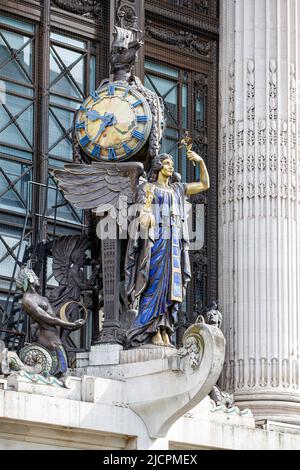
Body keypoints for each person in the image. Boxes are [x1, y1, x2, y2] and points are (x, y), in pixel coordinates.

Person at [125, 150, 210, 348]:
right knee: (154, 284)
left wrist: (201, 161)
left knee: (172, 287)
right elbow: (140, 214)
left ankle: (165, 330)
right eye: (167, 164)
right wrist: (146, 215)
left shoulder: (178, 189)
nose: (171, 167)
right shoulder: (148, 188)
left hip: (174, 246)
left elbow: (204, 184)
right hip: (156, 244)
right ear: (158, 167)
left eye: (171, 164)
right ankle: (150, 329)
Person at [16, 267, 85, 376]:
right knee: (60, 372)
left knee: (61, 371)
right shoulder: (28, 300)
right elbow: (48, 319)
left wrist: (71, 325)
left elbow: (50, 318)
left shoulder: (41, 298)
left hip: (54, 339)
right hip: (49, 342)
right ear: (30, 279)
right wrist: (72, 324)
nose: (37, 277)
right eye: (34, 276)